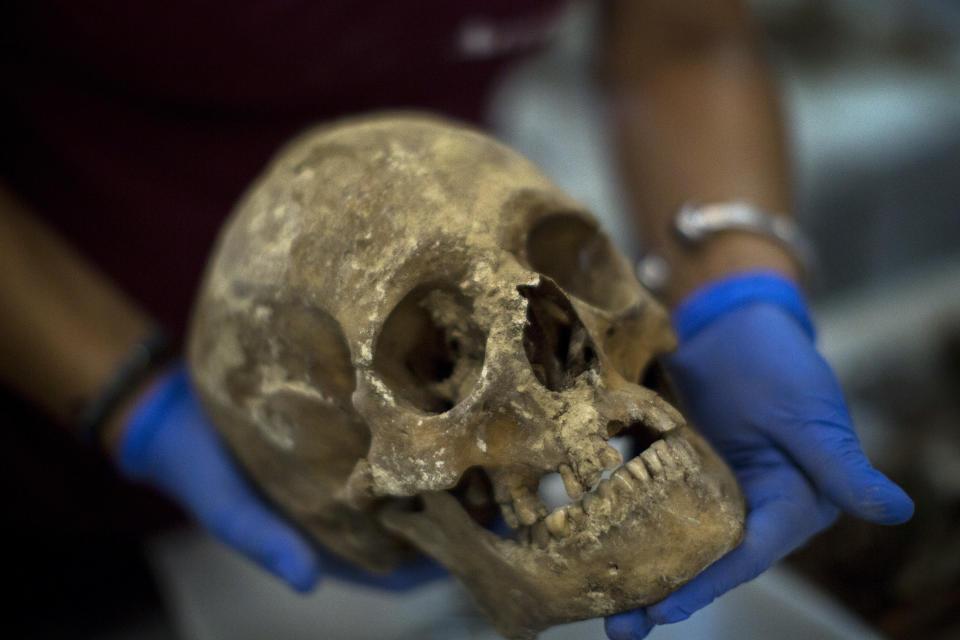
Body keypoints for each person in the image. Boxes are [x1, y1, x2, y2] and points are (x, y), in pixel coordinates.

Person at [0, 1, 912, 638]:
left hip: (456, 194)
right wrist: (130, 398)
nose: (573, 390)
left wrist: (737, 288)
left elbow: (686, 37)